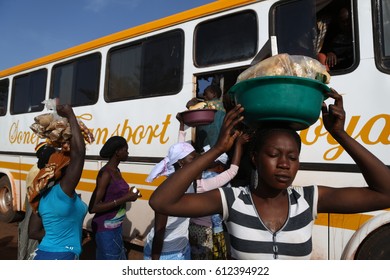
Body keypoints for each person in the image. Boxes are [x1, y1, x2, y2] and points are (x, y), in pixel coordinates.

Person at [149, 88, 390, 260]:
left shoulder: (308, 199)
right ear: (254, 158)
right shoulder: (232, 200)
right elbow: (161, 202)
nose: (285, 164)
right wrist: (217, 149)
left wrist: (341, 135)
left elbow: (385, 193)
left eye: (293, 157)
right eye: (274, 154)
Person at [28, 104, 88, 260]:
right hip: (62, 256)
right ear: (65, 169)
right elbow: (79, 154)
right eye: (71, 166)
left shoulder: (41, 195)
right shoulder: (63, 191)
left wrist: (57, 234)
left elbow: (33, 232)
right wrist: (70, 114)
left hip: (42, 253)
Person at [189, 132, 250, 260]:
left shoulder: (191, 179)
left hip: (194, 227)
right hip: (212, 229)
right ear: (220, 168)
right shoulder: (210, 182)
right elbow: (233, 171)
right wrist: (238, 143)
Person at [88, 136, 141, 260]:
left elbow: (113, 194)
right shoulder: (105, 174)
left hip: (115, 227)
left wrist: (130, 194)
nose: (128, 152)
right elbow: (93, 207)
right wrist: (125, 198)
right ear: (117, 152)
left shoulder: (116, 170)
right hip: (105, 229)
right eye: (126, 149)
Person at [143, 141, 197, 260]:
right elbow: (159, 231)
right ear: (181, 162)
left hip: (182, 248)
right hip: (166, 254)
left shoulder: (189, 182)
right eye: (193, 159)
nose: (197, 163)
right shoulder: (169, 191)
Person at [17, 142, 56, 260]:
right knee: (32, 242)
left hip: (33, 208)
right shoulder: (41, 174)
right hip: (35, 210)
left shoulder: (38, 169)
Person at [187, 84, 226, 152]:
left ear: (214, 94)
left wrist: (191, 103)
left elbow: (191, 109)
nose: (203, 96)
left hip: (209, 146)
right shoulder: (221, 105)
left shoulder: (209, 104)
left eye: (205, 93)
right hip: (219, 145)